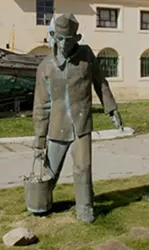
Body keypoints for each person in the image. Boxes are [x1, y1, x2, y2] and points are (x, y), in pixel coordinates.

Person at [31, 13, 123, 223]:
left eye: (69, 39)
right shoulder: (45, 67)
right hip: (57, 127)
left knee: (83, 167)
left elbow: (101, 83)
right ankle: (40, 203)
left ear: (77, 37)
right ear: (53, 35)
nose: (63, 43)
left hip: (81, 124)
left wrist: (112, 109)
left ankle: (85, 207)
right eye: (60, 38)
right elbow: (40, 106)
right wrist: (39, 140)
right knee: (49, 172)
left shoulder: (86, 56)